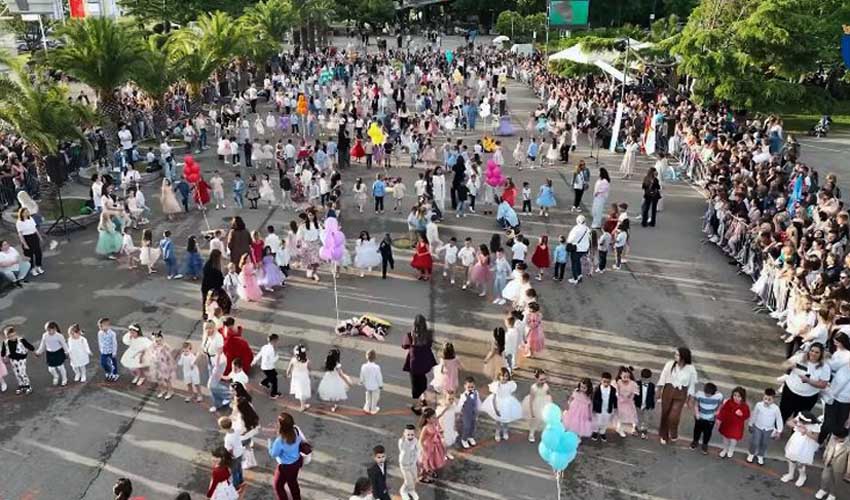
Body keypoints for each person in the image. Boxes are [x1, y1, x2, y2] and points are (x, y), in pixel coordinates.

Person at [779, 343, 830, 423]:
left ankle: (795, 430)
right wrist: (789, 365)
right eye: (812, 351)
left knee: (800, 418)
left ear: (821, 354)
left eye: (817, 352)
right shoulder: (799, 357)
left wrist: (808, 381)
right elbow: (783, 365)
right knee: (783, 413)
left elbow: (823, 384)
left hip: (808, 398)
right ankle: (778, 429)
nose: (813, 354)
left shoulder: (825, 367)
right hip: (790, 392)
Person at [657, 347, 698, 444]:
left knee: (674, 416)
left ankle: (673, 432)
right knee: (665, 413)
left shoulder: (690, 369)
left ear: (684, 356)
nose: (675, 356)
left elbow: (692, 384)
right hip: (668, 390)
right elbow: (663, 377)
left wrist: (690, 398)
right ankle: (664, 434)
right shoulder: (669, 364)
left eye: (677, 355)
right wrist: (659, 389)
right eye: (675, 354)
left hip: (681, 393)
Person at [402, 314, 437, 415]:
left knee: (415, 384)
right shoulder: (429, 334)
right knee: (422, 380)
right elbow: (430, 344)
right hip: (425, 362)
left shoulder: (410, 335)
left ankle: (419, 406)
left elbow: (404, 346)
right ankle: (423, 400)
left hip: (414, 363)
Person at [269, 412, 307, 500]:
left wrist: (270, 443)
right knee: (293, 483)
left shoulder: (280, 440)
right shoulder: (296, 430)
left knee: (278, 486)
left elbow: (273, 454)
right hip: (297, 461)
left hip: (286, 467)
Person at [482, 367, 522, 442]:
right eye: (502, 376)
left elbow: (510, 393)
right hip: (498, 403)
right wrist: (495, 408)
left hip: (507, 404)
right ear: (499, 376)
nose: (504, 378)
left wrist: (511, 404)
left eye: (506, 376)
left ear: (508, 377)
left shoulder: (510, 384)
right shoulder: (497, 385)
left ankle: (505, 431)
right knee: (498, 420)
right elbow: (494, 398)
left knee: (506, 419)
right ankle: (497, 432)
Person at [781, 412, 821, 487]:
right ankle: (790, 474)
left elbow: (816, 438)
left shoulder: (815, 426)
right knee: (791, 458)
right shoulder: (800, 418)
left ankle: (802, 476)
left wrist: (806, 432)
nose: (800, 422)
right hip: (796, 440)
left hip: (806, 445)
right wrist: (797, 426)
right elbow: (789, 422)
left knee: (800, 463)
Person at [747, 388, 783, 465]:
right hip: (758, 427)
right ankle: (751, 453)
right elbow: (754, 415)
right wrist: (750, 424)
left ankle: (760, 455)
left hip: (768, 429)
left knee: (764, 443)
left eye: (769, 399)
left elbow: (779, 419)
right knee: (755, 442)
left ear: (773, 399)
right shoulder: (759, 405)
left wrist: (779, 431)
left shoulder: (776, 409)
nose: (766, 401)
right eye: (765, 398)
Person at [716, 386, 750, 459]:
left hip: (736, 426)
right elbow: (723, 411)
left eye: (739, 396)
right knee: (725, 438)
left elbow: (747, 415)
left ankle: (731, 449)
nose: (736, 398)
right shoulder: (728, 402)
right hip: (727, 424)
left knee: (733, 440)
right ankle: (725, 449)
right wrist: (719, 419)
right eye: (735, 395)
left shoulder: (744, 406)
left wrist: (742, 414)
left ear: (742, 397)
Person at [815, 427, 849, 500]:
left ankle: (832, 494)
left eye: (837, 438)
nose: (835, 439)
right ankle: (823, 490)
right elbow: (828, 447)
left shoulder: (848, 445)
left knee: (836, 481)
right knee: (824, 477)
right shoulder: (833, 438)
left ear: (844, 437)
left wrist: (848, 471)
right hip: (829, 462)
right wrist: (825, 455)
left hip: (840, 466)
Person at [690, 382, 723, 454]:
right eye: (706, 393)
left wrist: (717, 411)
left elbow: (720, 404)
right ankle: (695, 441)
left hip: (711, 418)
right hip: (700, 417)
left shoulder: (719, 396)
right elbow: (696, 404)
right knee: (697, 430)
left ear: (714, 393)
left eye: (709, 394)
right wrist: (697, 413)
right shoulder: (699, 394)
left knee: (707, 432)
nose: (707, 395)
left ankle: (705, 444)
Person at [522, 369, 552, 443]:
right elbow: (531, 400)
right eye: (541, 379)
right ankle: (531, 433)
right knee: (534, 421)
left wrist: (550, 405)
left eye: (544, 379)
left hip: (544, 403)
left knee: (544, 420)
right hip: (535, 405)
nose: (543, 381)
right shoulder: (533, 388)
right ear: (536, 379)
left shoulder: (546, 386)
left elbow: (549, 394)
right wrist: (531, 411)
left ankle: (544, 435)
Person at [16, 208, 43, 276]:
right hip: (26, 238)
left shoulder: (30, 218)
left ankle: (38, 266)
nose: (27, 213)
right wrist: (24, 244)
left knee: (38, 253)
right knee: (29, 254)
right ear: (21, 213)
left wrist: (39, 236)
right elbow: (20, 234)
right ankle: (32, 269)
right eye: (25, 212)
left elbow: (35, 228)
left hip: (34, 236)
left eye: (27, 212)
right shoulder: (19, 222)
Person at [254, 333, 281, 399]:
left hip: (264, 367)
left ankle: (264, 383)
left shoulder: (264, 347)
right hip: (269, 367)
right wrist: (277, 356)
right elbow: (272, 361)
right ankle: (273, 394)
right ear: (274, 341)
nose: (278, 342)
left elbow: (259, 355)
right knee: (274, 380)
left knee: (273, 376)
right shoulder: (271, 349)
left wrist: (253, 361)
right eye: (277, 340)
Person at [398, 424, 421, 500]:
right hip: (404, 464)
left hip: (413, 464)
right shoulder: (402, 441)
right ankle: (403, 491)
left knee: (414, 478)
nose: (410, 436)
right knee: (408, 481)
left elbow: (418, 450)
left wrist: (417, 460)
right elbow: (402, 450)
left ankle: (411, 490)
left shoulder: (415, 440)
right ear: (404, 434)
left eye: (412, 435)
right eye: (408, 434)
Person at [566, 215, 591, 284]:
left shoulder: (576, 228)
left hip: (576, 248)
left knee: (574, 263)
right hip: (584, 249)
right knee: (578, 261)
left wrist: (568, 242)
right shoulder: (587, 229)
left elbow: (570, 239)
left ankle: (575, 278)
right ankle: (579, 275)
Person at [287, 344, 311, 411]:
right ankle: (303, 406)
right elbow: (310, 368)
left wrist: (288, 374)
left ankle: (303, 405)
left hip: (296, 377)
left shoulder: (293, 360)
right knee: (303, 391)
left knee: (300, 391)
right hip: (304, 377)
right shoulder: (307, 361)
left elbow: (288, 369)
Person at [360, 349, 384, 414]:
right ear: (375, 357)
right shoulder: (376, 367)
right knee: (375, 397)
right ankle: (373, 409)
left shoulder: (363, 366)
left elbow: (362, 374)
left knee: (368, 396)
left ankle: (367, 407)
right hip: (375, 386)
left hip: (367, 385)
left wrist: (361, 381)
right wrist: (381, 385)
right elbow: (379, 377)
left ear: (366, 357)